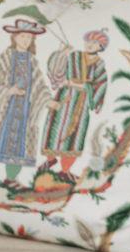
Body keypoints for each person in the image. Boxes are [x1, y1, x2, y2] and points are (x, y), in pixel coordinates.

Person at [0, 18, 49, 180]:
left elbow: (39, 84)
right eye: (22, 36)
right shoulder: (5, 58)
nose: (26, 40)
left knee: (20, 146)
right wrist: (9, 90)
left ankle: (11, 180)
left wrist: (47, 99)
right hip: (3, 109)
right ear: (15, 37)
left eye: (29, 38)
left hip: (24, 111)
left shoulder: (32, 61)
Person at [40, 29, 110, 174]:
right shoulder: (74, 56)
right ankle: (50, 159)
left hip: (81, 103)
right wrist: (63, 53)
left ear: (101, 47)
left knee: (74, 137)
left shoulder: (99, 64)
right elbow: (55, 72)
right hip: (63, 98)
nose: (90, 44)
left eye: (95, 43)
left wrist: (76, 84)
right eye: (88, 41)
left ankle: (65, 171)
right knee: (53, 129)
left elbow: (99, 86)